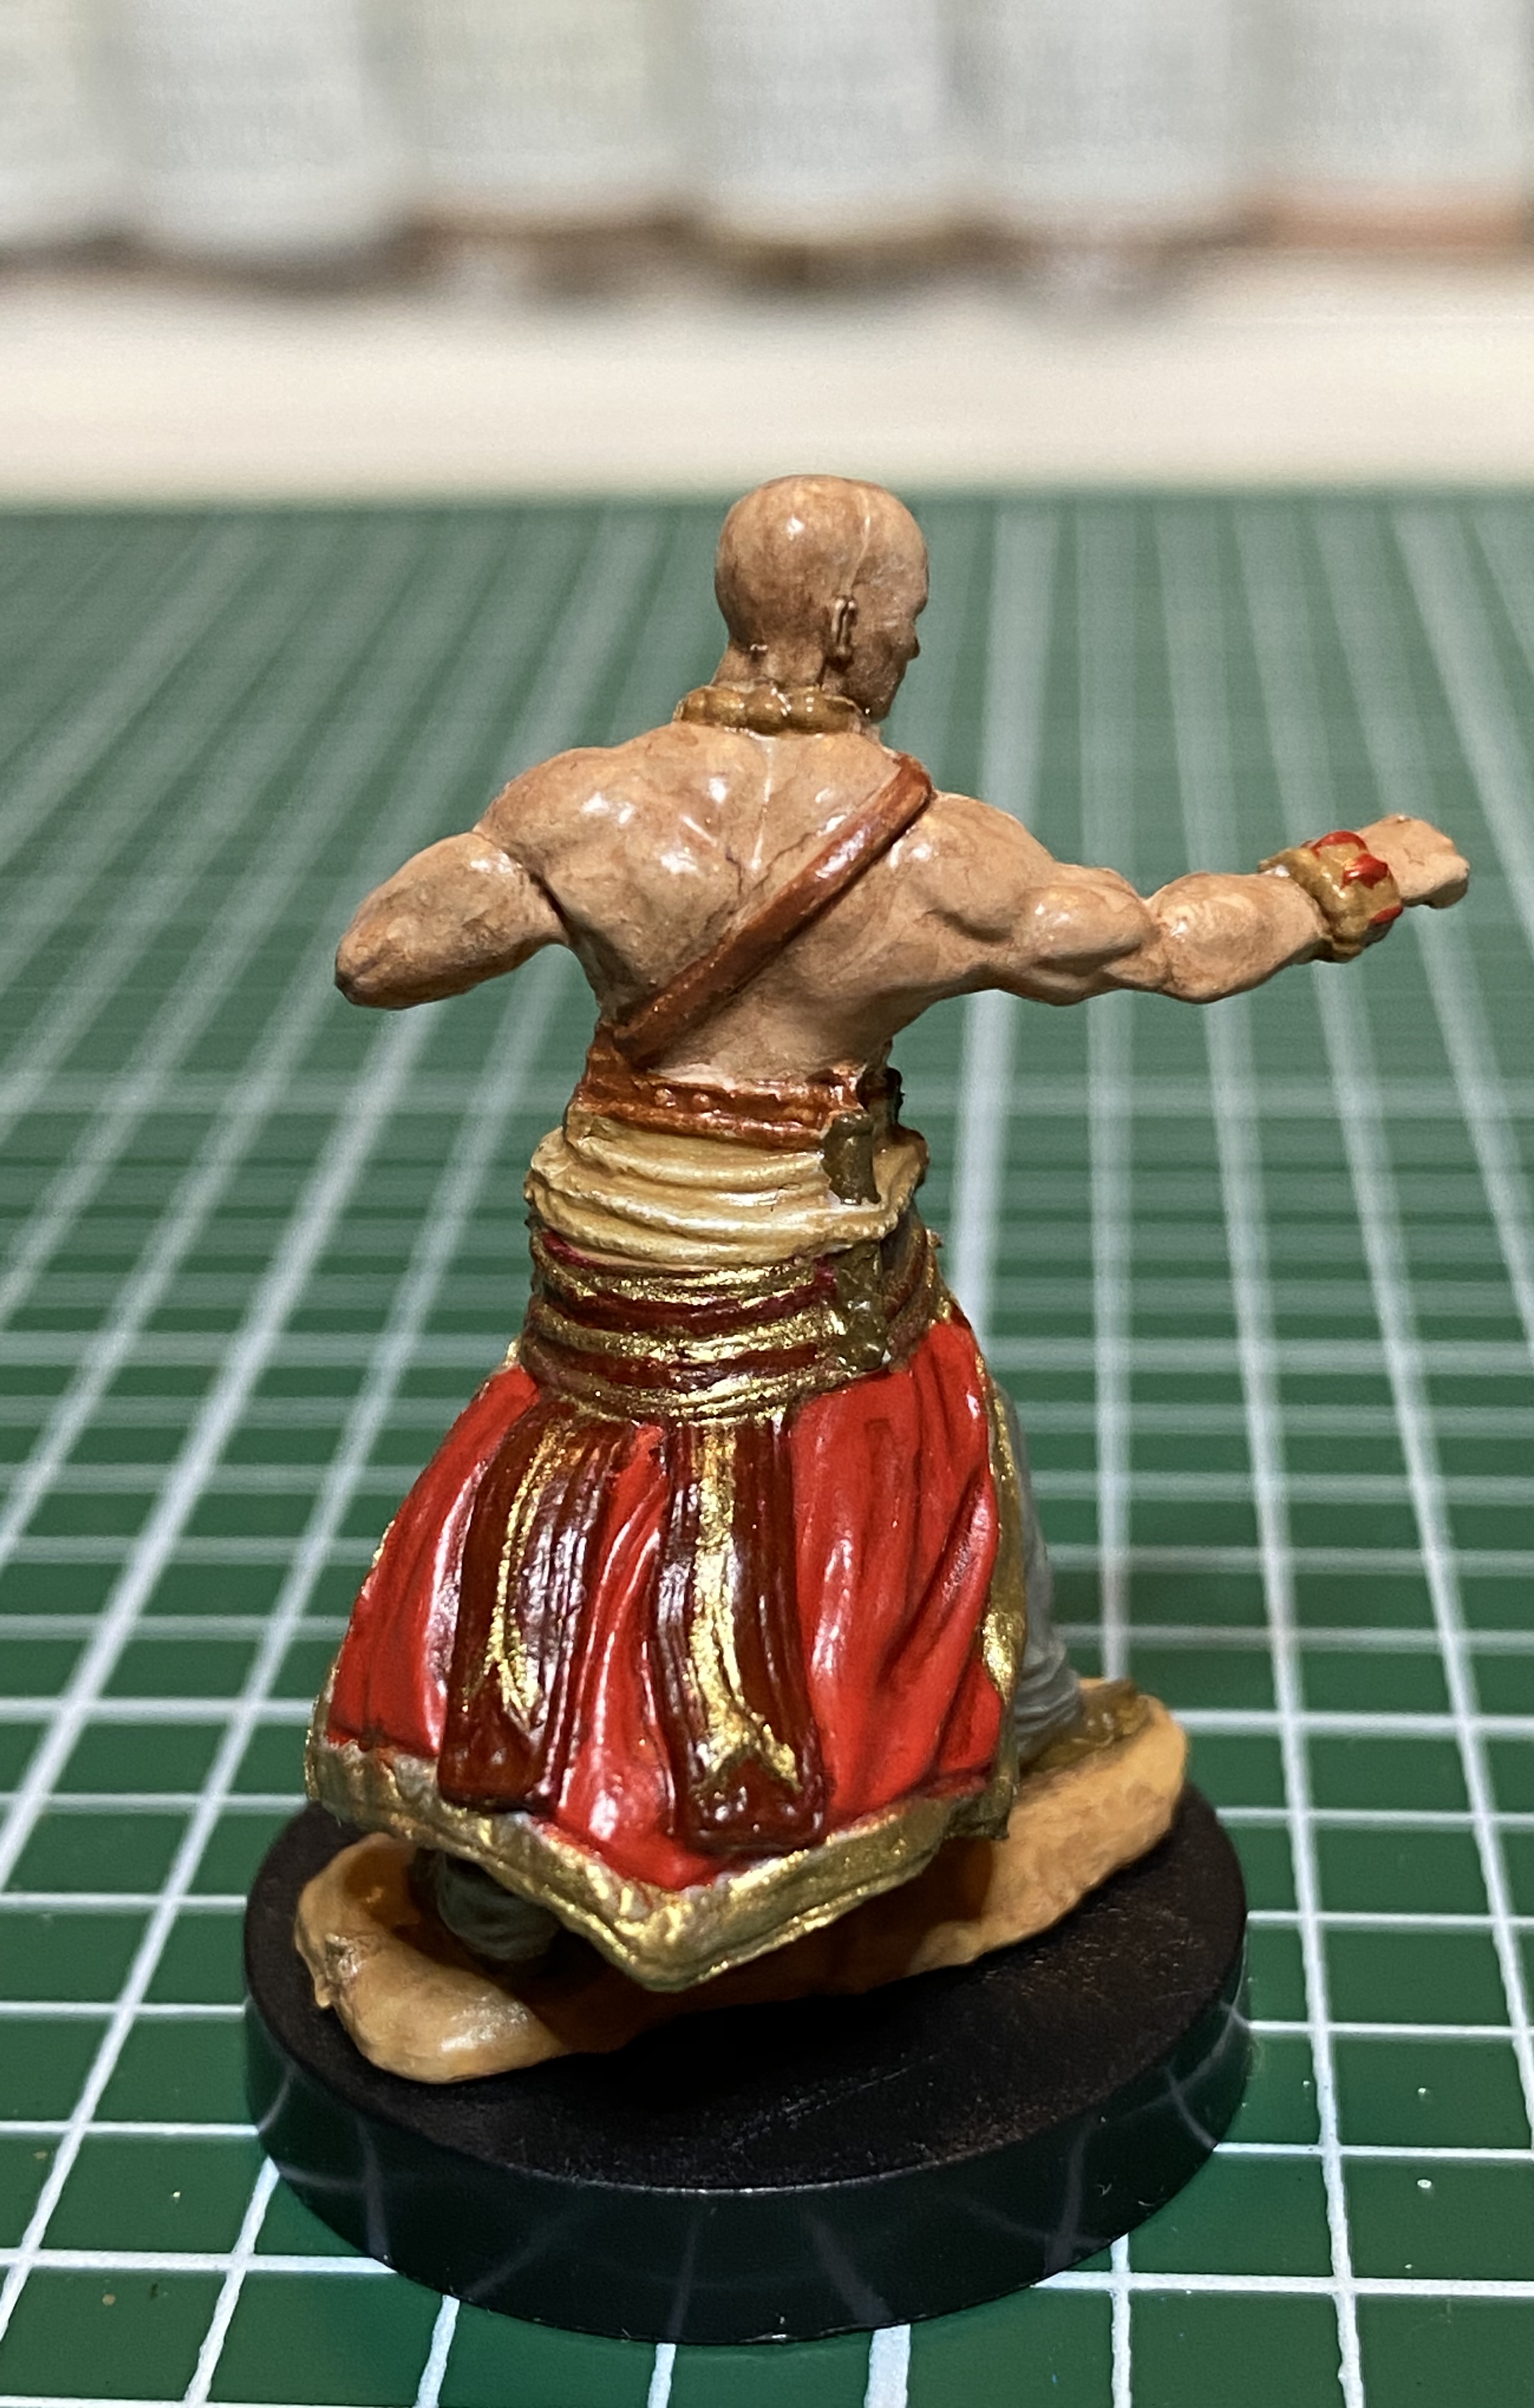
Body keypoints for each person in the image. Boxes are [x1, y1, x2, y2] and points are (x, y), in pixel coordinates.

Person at [308, 474, 1468, 1992]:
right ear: (852, 622)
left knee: (574, 1504)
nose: (915, 644)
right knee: (949, 1450)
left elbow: (380, 956)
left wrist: (568, 888)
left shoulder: (580, 803)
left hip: (603, 1265)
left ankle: (503, 1871)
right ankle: (987, 1743)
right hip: (801, 1277)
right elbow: (1174, 950)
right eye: (910, 616)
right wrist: (1355, 874)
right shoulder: (934, 858)